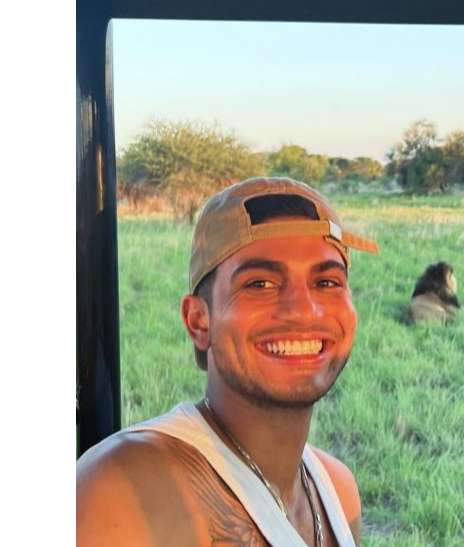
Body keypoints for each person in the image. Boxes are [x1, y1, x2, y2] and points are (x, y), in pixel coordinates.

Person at [77, 177, 379, 547]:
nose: (303, 310)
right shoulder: (122, 493)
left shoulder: (337, 487)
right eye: (260, 284)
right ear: (199, 321)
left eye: (327, 283)